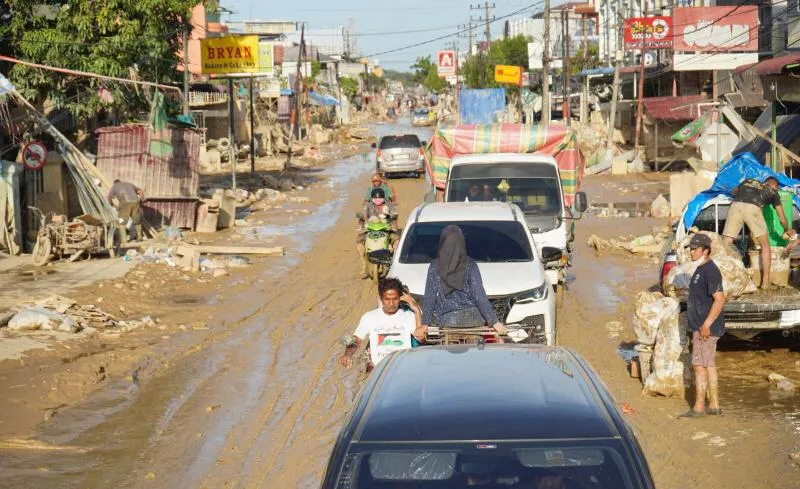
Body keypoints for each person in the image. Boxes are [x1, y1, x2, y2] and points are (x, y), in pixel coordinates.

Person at [421, 225, 506, 334]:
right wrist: (494, 322)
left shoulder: (435, 266)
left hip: (448, 321)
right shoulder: (470, 265)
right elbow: (479, 295)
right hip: (474, 321)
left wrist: (425, 323)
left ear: (442, 243)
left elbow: (430, 296)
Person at [679, 234, 725, 419]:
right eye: (690, 248)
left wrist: (706, 325)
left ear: (705, 251)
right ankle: (714, 405)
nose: (691, 251)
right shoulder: (701, 268)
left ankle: (698, 408)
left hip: (705, 327)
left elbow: (719, 300)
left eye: (695, 249)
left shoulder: (710, 271)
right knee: (708, 364)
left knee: (698, 365)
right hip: (703, 325)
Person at [722, 177, 796, 289]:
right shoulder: (773, 193)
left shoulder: (749, 181)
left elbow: (734, 191)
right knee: (765, 246)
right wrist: (787, 230)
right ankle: (765, 283)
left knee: (726, 244)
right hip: (753, 208)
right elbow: (782, 219)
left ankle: (723, 281)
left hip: (735, 205)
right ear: (774, 186)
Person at [340, 278, 426, 370]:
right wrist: (347, 355)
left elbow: (421, 339)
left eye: (395, 299)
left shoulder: (409, 315)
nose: (391, 303)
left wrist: (416, 310)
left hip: (403, 369)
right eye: (387, 299)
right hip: (378, 371)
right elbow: (357, 340)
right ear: (381, 298)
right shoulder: (369, 317)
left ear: (400, 297)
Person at [357, 188, 398, 278]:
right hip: (371, 230)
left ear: (383, 198)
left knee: (397, 240)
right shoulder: (368, 206)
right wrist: (360, 224)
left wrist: (394, 224)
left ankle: (394, 263)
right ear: (372, 198)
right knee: (359, 240)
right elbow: (363, 217)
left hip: (386, 229)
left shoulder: (389, 205)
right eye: (375, 198)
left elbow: (394, 216)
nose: (377, 200)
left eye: (379, 198)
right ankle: (364, 265)